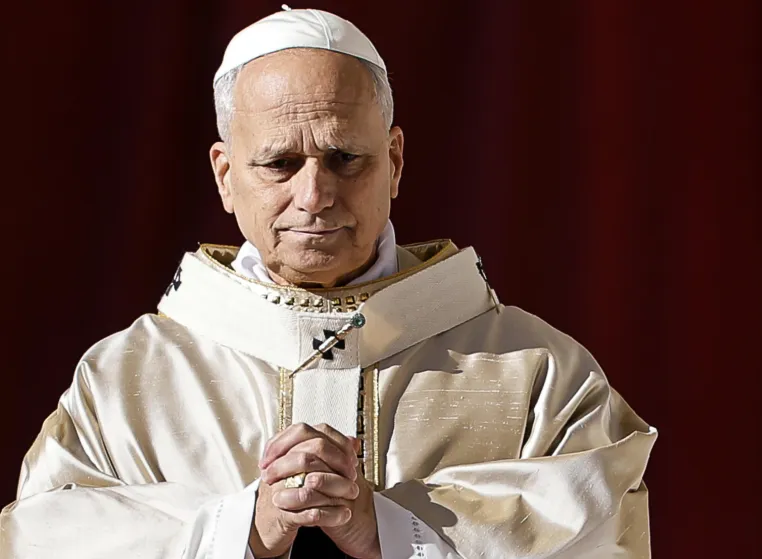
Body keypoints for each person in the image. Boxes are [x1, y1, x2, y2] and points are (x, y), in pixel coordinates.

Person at [0, 7, 657, 558]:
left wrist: (392, 534)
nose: (314, 195)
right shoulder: (124, 381)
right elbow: (43, 538)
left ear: (394, 161)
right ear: (225, 175)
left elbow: (603, 532)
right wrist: (241, 531)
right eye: (279, 164)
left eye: (345, 158)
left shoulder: (538, 374)